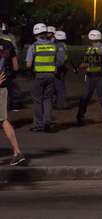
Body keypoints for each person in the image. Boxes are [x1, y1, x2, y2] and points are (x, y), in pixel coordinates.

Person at [26, 23, 65, 132]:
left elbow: (28, 65)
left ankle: (39, 125)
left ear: (35, 34)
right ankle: (47, 122)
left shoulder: (33, 46)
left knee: (37, 100)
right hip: (51, 76)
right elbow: (58, 61)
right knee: (47, 100)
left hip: (38, 76)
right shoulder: (53, 46)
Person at [76, 29, 102, 127]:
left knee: (85, 97)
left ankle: (80, 117)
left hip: (91, 76)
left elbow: (85, 63)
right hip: (101, 76)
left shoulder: (90, 49)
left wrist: (78, 67)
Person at [0, 38, 27, 166]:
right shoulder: (7, 44)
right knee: (3, 120)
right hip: (3, 86)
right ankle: (17, 153)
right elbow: (15, 66)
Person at [53, 30, 69, 109]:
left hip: (59, 69)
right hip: (61, 68)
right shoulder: (63, 45)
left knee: (59, 87)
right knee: (59, 86)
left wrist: (56, 68)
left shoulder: (59, 46)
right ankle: (60, 103)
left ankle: (61, 104)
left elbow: (61, 60)